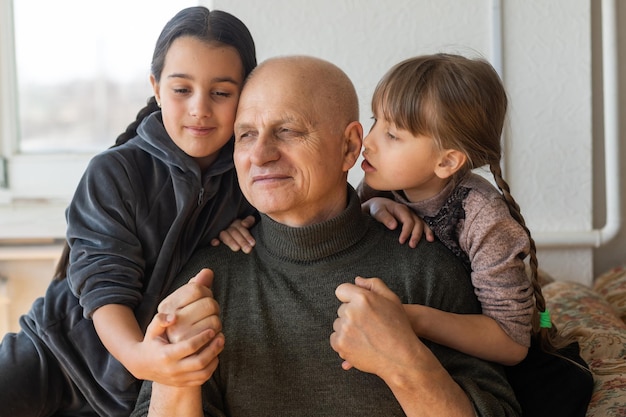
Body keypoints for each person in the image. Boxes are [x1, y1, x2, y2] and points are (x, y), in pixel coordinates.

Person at [131, 55, 521, 417]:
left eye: (287, 131)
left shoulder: (427, 264)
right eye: (246, 134)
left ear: (350, 147)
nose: (261, 154)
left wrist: (405, 365)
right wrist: (174, 379)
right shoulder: (206, 281)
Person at [0, 6, 257, 417]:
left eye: (222, 92)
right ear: (156, 88)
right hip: (54, 356)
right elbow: (105, 287)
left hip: (141, 390)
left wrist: (377, 199)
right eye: (181, 89)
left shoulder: (252, 179)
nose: (200, 108)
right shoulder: (114, 171)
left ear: (247, 95)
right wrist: (139, 357)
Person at [356, 53, 593, 416]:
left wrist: (409, 319)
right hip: (422, 341)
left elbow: (512, 342)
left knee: (558, 379)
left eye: (391, 134)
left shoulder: (481, 216)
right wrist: (369, 210)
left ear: (447, 161)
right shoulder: (380, 186)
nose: (368, 141)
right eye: (375, 120)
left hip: (495, 348)